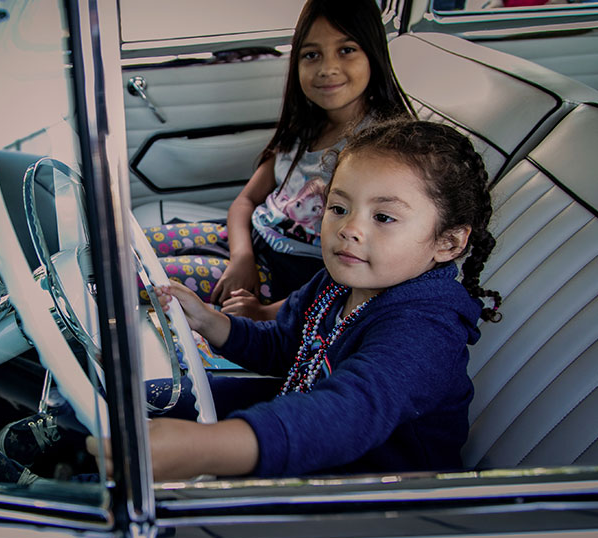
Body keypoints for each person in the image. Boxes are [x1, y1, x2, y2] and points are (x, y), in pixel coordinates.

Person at [92, 119, 503, 481]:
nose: (350, 229)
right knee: (145, 398)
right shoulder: (336, 284)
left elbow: (347, 414)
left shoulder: (425, 329)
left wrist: (206, 447)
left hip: (373, 498)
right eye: (339, 208)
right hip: (301, 421)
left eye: (384, 217)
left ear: (447, 242)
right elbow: (283, 345)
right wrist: (209, 321)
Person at [142, 0, 414, 321]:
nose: (327, 68)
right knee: (134, 248)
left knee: (144, 278)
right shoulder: (305, 128)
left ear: (374, 53)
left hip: (287, 283)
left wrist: (266, 313)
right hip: (248, 243)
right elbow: (246, 200)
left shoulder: (378, 152)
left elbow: (355, 276)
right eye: (311, 55)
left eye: (346, 50)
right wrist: (241, 257)